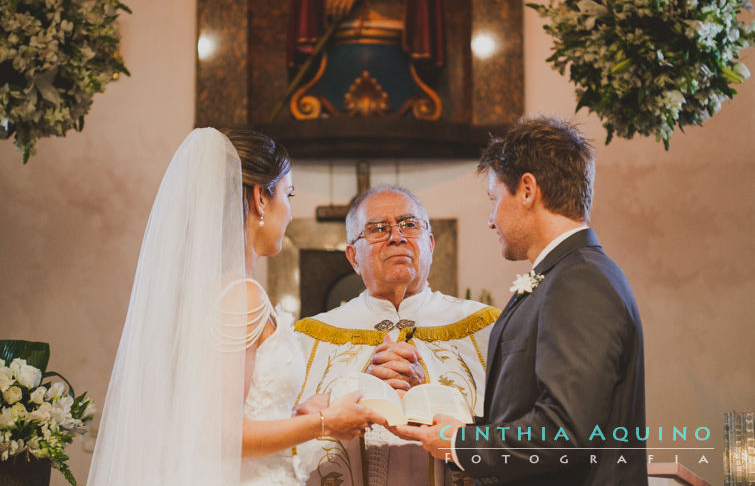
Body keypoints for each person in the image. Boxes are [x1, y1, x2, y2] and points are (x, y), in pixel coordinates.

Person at [87, 128, 385, 486]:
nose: (290, 213)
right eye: (287, 194)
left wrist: (295, 413)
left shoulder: (211, 290)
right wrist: (324, 424)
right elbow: (218, 436)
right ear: (261, 198)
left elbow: (222, 409)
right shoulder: (241, 296)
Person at [392, 117, 648, 485]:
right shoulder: (565, 275)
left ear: (527, 190)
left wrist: (462, 444)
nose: (492, 220)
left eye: (495, 200)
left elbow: (565, 431)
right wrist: (462, 430)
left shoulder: (579, 280)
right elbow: (534, 411)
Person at [294, 185, 500, 486]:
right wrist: (359, 386)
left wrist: (432, 395)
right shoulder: (308, 338)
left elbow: (517, 434)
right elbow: (284, 441)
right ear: (352, 256)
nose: (397, 236)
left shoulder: (486, 327)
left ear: (430, 243)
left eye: (410, 224)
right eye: (378, 229)